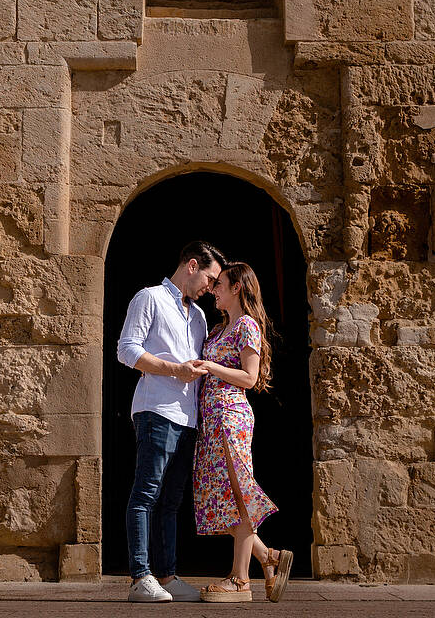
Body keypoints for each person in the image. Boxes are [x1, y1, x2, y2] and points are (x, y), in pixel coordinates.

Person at [116, 240, 226, 603]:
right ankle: (140, 577)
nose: (211, 287)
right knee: (146, 493)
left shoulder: (198, 316)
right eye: (210, 278)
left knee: (171, 500)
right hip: (156, 410)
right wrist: (174, 369)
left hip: (188, 417)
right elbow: (126, 350)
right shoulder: (149, 297)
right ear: (191, 265)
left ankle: (167, 574)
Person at [191, 262, 293, 603]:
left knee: (240, 493)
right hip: (212, 421)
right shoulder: (220, 329)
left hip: (231, 418)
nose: (213, 289)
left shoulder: (247, 325)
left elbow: (249, 379)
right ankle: (270, 558)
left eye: (219, 284)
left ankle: (240, 579)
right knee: (225, 496)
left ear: (236, 288)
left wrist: (212, 367)